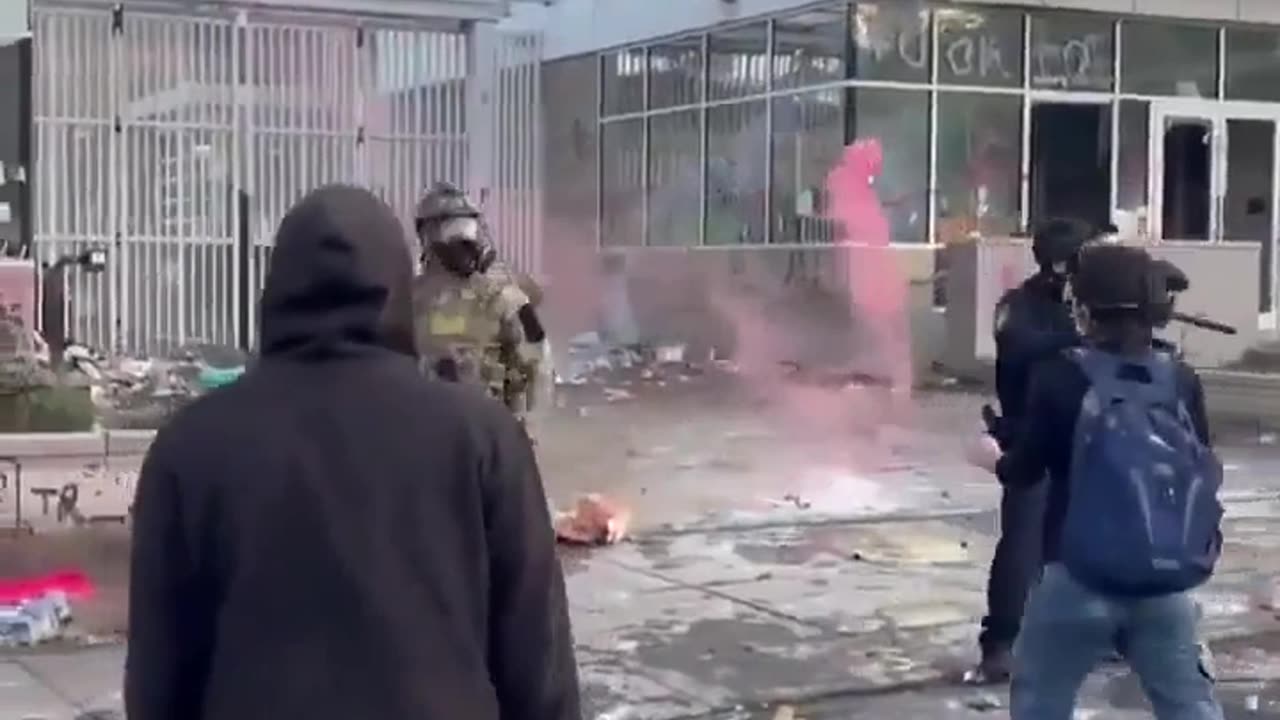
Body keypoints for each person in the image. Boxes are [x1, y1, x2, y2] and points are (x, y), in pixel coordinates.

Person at [124, 185, 581, 720]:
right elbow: (537, 665)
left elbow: (160, 675)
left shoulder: (189, 448)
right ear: (395, 285)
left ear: (276, 291)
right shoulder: (484, 440)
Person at [987, 245, 1224, 720]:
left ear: (1084, 307)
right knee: (1189, 705)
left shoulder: (1060, 376)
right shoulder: (1181, 380)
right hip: (1164, 582)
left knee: (1040, 703)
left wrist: (993, 459)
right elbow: (1199, 461)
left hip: (1076, 579)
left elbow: (1028, 470)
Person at [971, 217, 1098, 683]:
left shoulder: (1087, 307)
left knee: (1080, 547)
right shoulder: (1019, 306)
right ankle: (1000, 644)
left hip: (1081, 439)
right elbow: (1020, 346)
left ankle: (1090, 635)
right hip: (1029, 437)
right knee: (1023, 545)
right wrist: (1082, 336)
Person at [412, 182, 547, 429]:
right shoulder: (406, 299)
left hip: (487, 433)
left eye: (470, 230)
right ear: (429, 235)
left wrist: (519, 430)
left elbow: (535, 368)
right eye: (455, 231)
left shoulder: (504, 299)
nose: (466, 241)